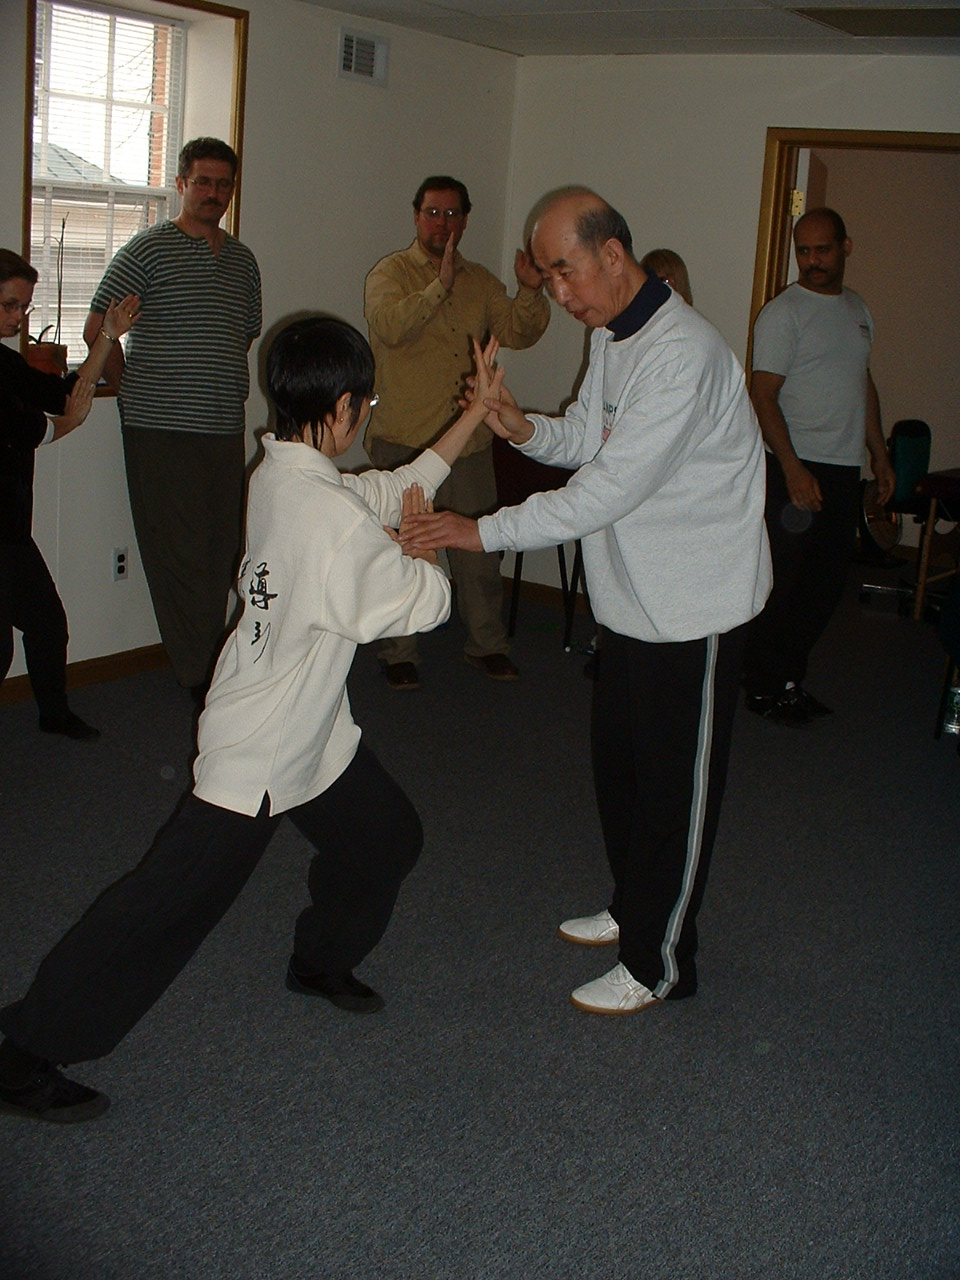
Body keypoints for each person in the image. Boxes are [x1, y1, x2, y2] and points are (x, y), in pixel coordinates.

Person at [0, 319, 502, 1123]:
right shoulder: (325, 517)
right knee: (162, 906)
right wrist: (426, 547)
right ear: (342, 408)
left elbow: (380, 489)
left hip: (309, 729)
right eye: (364, 402)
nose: (365, 415)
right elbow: (422, 603)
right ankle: (23, 1047)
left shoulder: (283, 468)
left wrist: (473, 415)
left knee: (386, 839)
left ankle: (318, 961)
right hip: (261, 753)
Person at [402, 189, 771, 1015]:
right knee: (621, 772)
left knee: (675, 791)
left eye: (562, 271)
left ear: (612, 254)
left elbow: (604, 492)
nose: (556, 293)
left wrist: (477, 532)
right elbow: (586, 437)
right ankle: (635, 905)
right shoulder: (613, 334)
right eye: (546, 274)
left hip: (694, 604)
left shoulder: (683, 354)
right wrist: (517, 425)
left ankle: (661, 963)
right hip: (632, 599)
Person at [84, 137, 262, 696]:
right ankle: (198, 675)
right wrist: (126, 386)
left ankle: (215, 660)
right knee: (176, 552)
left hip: (222, 428)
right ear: (181, 184)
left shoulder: (242, 261)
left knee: (223, 549)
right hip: (159, 431)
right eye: (203, 182)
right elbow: (98, 330)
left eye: (223, 184)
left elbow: (242, 336)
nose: (214, 193)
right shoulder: (146, 251)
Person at [363, 174, 550, 690]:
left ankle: (486, 644)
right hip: (405, 443)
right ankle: (398, 649)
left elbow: (518, 330)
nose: (442, 223)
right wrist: (437, 288)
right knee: (402, 550)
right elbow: (390, 327)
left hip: (467, 446)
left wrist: (530, 291)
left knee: (478, 553)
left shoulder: (483, 281)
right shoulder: (390, 274)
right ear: (416, 216)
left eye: (451, 214)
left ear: (465, 220)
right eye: (432, 213)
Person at [743, 207, 895, 725]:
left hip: (842, 470)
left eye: (823, 250)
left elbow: (862, 383)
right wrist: (791, 468)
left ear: (845, 247)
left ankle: (788, 679)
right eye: (803, 251)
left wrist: (879, 452)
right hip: (794, 469)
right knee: (781, 587)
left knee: (825, 589)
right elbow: (763, 396)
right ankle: (762, 687)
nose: (812, 262)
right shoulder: (783, 314)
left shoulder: (857, 310)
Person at [0, 248, 140, 739]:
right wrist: (69, 424)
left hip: (10, 527)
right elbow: (31, 428)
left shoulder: (4, 361)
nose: (20, 317)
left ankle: (54, 715)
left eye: (24, 307)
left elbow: (64, 391)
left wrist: (108, 335)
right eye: (10, 306)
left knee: (39, 625)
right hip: (2, 534)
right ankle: (54, 716)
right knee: (31, 630)